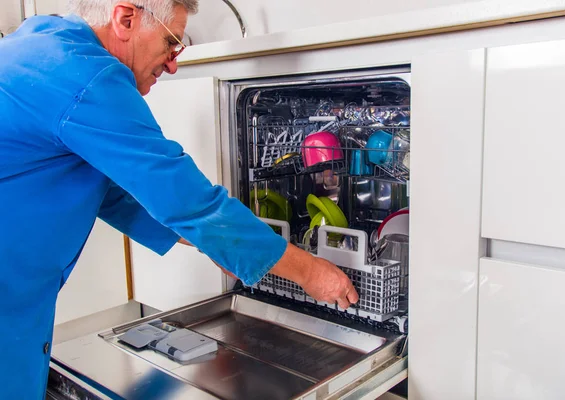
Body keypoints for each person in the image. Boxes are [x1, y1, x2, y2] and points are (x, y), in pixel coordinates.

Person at [0, 1, 359, 398]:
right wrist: (310, 272)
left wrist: (212, 242)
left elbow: (118, 191)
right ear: (126, 19)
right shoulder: (87, 77)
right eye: (172, 42)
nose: (173, 64)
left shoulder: (43, 43)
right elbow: (190, 201)